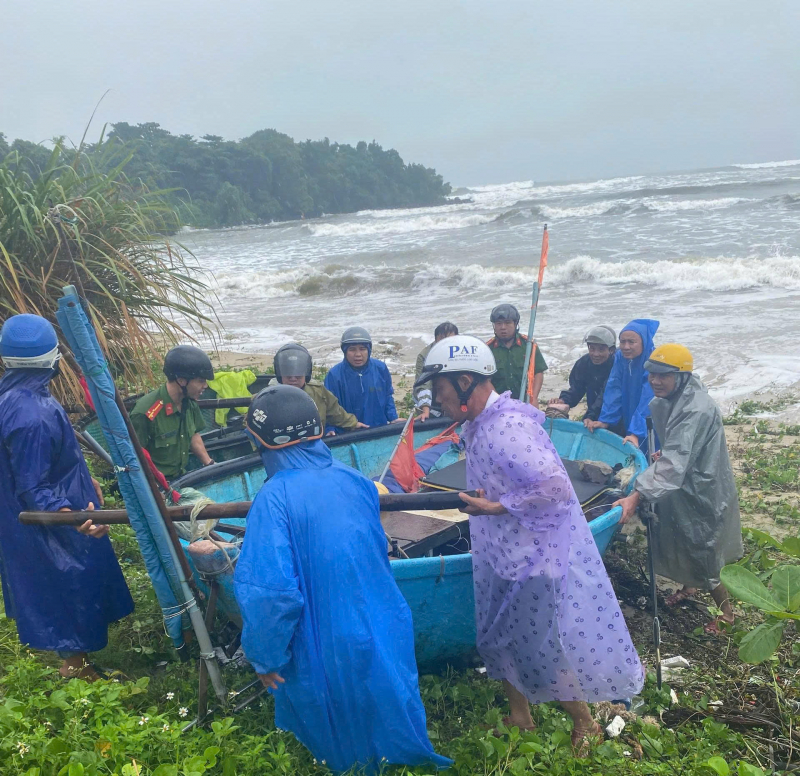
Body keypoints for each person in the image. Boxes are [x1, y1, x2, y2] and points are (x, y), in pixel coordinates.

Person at [415, 335, 643, 752]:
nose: (439, 400)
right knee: (497, 636)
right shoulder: (479, 422)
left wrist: (497, 506)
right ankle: (520, 717)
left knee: (537, 647)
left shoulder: (507, 428)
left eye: (442, 390)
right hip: (503, 550)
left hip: (535, 556)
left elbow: (555, 488)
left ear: (465, 381)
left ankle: (585, 722)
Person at [233, 385, 451, 774]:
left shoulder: (274, 498)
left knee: (337, 718)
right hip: (383, 618)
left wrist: (265, 658)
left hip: (328, 635)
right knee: (384, 690)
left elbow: (271, 594)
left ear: (261, 442)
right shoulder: (355, 479)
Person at [0, 314, 133, 680]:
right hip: (51, 518)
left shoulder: (15, 397)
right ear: (51, 359)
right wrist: (74, 518)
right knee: (71, 583)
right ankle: (76, 669)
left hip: (41, 507)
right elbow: (33, 484)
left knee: (65, 583)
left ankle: (80, 662)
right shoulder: (34, 414)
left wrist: (82, 474)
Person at [613, 344, 743, 634]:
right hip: (679, 479)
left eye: (664, 376)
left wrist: (636, 494)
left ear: (682, 376)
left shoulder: (696, 408)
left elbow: (677, 460)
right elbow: (676, 449)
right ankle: (689, 588)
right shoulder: (666, 400)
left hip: (702, 484)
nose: (656, 382)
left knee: (704, 546)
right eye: (652, 376)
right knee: (681, 533)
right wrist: (665, 454)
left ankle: (727, 613)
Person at [130, 345, 214, 481]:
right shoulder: (146, 413)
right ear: (181, 380)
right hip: (157, 485)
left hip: (181, 477)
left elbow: (193, 434)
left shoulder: (189, 402)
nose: (205, 386)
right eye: (201, 381)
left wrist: (209, 464)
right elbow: (134, 457)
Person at [586, 319, 659, 452]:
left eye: (631, 342)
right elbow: (614, 388)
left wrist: (636, 432)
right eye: (623, 341)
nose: (625, 347)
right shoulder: (620, 357)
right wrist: (605, 420)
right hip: (629, 409)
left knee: (651, 449)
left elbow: (648, 401)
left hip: (651, 417)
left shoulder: (653, 361)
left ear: (644, 341)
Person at [273, 342, 368, 435]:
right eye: (288, 376)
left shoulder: (318, 392)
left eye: (298, 375)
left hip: (314, 443)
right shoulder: (268, 397)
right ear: (279, 374)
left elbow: (335, 412)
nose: (293, 379)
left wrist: (353, 424)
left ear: (306, 374)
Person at [324, 327, 401, 430]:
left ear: (369, 350)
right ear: (345, 351)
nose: (358, 354)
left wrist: (393, 417)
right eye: (352, 349)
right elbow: (329, 407)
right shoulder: (334, 375)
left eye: (362, 349)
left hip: (378, 428)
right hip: (348, 431)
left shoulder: (380, 368)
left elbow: (387, 396)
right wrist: (330, 429)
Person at [547, 325, 617, 427]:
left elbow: (606, 395)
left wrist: (590, 416)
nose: (596, 354)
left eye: (601, 350)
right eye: (592, 349)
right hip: (593, 409)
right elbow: (576, 389)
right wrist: (563, 400)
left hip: (614, 414)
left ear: (611, 350)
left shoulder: (617, 366)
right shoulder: (584, 363)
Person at [487, 304, 548, 403]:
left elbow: (538, 372)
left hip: (524, 400)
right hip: (498, 403)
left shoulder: (529, 346)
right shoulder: (487, 349)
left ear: (516, 324)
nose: (503, 327)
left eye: (507, 323)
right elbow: (485, 381)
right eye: (498, 323)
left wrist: (534, 398)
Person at [414, 321, 458, 421]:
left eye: (450, 340)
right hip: (432, 399)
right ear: (436, 339)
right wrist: (425, 409)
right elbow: (424, 383)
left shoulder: (461, 352)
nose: (446, 344)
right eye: (442, 340)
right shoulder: (425, 355)